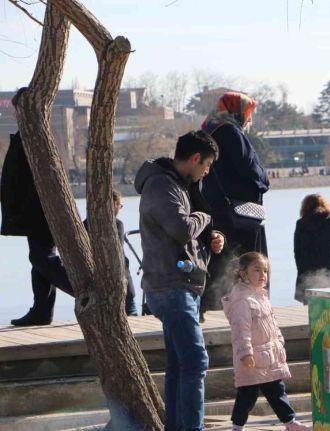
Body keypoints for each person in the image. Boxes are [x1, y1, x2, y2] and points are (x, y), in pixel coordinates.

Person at [135, 130, 225, 431]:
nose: (207, 171)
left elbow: (184, 238)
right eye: (207, 165)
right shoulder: (162, 185)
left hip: (179, 283)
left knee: (179, 364)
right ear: (196, 158)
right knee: (196, 362)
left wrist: (209, 242)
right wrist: (203, 217)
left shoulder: (175, 185)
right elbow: (182, 228)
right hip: (171, 286)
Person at [1, 87, 74, 326]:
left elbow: (32, 178)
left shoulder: (38, 136)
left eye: (16, 109)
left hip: (40, 210)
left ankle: (83, 291)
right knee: (40, 258)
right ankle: (41, 310)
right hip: (36, 210)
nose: (13, 114)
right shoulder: (36, 134)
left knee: (42, 257)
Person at [222, 252, 311, 431]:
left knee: (277, 391)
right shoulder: (242, 300)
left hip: (269, 355)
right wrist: (246, 353)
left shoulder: (261, 296)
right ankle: (237, 426)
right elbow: (241, 330)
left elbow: (271, 323)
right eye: (257, 270)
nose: (263, 275)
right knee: (247, 395)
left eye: (265, 271)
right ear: (243, 273)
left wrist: (279, 341)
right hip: (253, 357)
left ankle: (290, 422)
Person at [200, 91, 270, 318]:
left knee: (223, 265)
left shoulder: (209, 130)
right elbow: (250, 168)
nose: (249, 119)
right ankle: (246, 312)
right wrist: (264, 178)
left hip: (218, 210)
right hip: (240, 216)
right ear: (236, 111)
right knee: (247, 264)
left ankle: (221, 308)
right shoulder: (229, 132)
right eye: (248, 113)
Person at [293, 193, 330, 305]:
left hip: (308, 270)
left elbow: (297, 252)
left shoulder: (301, 223)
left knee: (313, 308)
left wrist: (301, 269)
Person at [111, 190, 139, 315]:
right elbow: (118, 251)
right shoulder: (117, 224)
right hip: (123, 285)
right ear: (114, 204)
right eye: (119, 205)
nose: (119, 209)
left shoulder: (85, 224)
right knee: (132, 315)